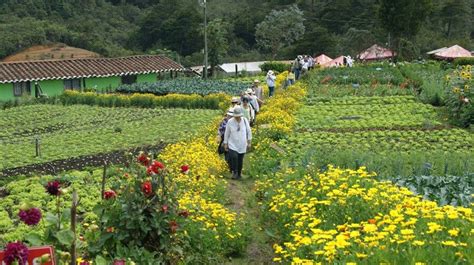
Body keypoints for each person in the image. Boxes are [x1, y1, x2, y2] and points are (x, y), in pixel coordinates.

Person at [224, 106, 252, 180]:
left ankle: (239, 174)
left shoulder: (245, 121)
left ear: (241, 115)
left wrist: (249, 142)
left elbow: (249, 132)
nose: (237, 117)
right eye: (236, 116)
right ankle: (235, 172)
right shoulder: (230, 122)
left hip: (242, 144)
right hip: (232, 143)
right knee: (234, 157)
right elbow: (227, 133)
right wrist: (225, 143)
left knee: (240, 159)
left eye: (238, 116)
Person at [218, 107, 234, 172]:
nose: (229, 116)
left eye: (231, 115)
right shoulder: (224, 121)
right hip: (225, 138)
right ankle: (228, 167)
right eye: (229, 115)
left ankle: (232, 167)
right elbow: (220, 129)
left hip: (233, 139)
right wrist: (219, 135)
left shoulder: (235, 121)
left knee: (232, 153)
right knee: (226, 152)